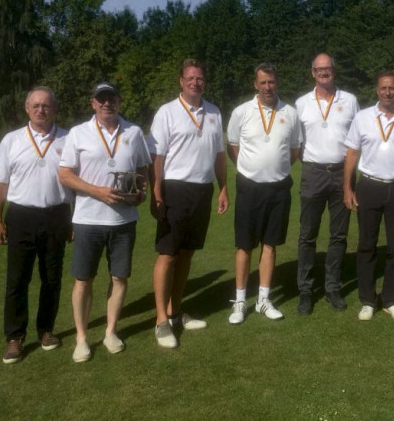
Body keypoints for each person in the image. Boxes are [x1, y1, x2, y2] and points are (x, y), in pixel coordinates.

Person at [59, 82, 151, 362]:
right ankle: (82, 338)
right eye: (101, 99)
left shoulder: (133, 132)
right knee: (83, 280)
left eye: (111, 98)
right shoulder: (78, 133)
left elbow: (142, 170)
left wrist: (141, 193)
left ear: (118, 101)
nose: (107, 103)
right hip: (88, 219)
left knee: (119, 277)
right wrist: (97, 190)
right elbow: (65, 174)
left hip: (123, 220)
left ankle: (110, 331)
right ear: (93, 103)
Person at [147, 59, 229, 349]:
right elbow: (157, 156)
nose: (196, 82)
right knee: (167, 254)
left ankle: (176, 312)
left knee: (187, 255)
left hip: (202, 190)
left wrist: (223, 189)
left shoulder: (214, 112)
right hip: (174, 189)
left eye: (200, 78)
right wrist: (156, 189)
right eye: (191, 78)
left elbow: (220, 155)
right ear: (181, 81)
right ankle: (160, 321)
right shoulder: (167, 112)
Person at [0, 86, 72, 364]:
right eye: (36, 105)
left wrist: (74, 219)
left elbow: (78, 181)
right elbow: (0, 184)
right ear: (27, 109)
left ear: (54, 109)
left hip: (57, 214)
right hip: (21, 216)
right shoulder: (11, 141)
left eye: (46, 105)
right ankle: (14, 337)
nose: (41, 110)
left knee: (51, 278)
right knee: (17, 279)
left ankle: (46, 330)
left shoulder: (68, 139)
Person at [344, 71, 394, 322]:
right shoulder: (362, 117)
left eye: (392, 88)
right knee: (367, 245)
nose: (387, 92)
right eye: (383, 88)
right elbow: (352, 154)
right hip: (369, 186)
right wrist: (347, 187)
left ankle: (390, 299)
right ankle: (368, 300)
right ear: (377, 90)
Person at [226, 63, 301, 324]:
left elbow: (293, 152)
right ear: (255, 84)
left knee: (270, 244)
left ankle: (263, 299)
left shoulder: (290, 113)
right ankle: (239, 301)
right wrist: (252, 169)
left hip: (279, 187)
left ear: (277, 82)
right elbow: (232, 146)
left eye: (271, 82)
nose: (268, 87)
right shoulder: (241, 112)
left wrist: (274, 169)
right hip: (249, 187)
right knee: (244, 245)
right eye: (263, 82)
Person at [294, 53, 359, 314]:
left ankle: (332, 287)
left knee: (339, 235)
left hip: (343, 173)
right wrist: (311, 165)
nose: (324, 72)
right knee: (307, 235)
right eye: (319, 69)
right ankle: (305, 291)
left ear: (334, 70)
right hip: (313, 172)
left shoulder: (350, 100)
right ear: (312, 72)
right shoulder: (301, 103)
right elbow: (296, 143)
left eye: (328, 68)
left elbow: (357, 140)